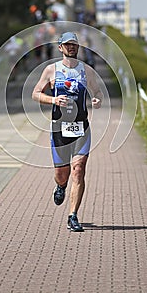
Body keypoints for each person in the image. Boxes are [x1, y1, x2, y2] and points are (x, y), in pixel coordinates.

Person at [32, 32, 103, 232]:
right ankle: (61, 187)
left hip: (81, 127)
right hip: (59, 129)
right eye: (67, 44)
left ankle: (73, 215)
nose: (71, 47)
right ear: (60, 48)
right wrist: (53, 100)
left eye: (74, 45)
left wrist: (97, 100)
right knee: (61, 174)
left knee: (78, 170)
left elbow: (96, 92)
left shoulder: (86, 71)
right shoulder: (51, 70)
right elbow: (36, 93)